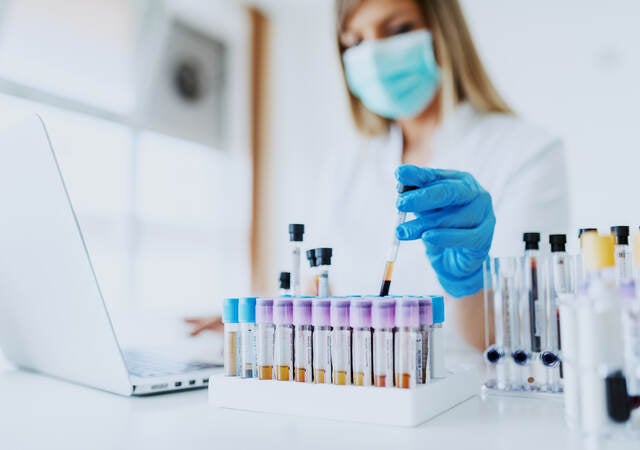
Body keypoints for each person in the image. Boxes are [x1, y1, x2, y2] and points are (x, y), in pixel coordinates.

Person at [188, 0, 569, 351]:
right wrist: (256, 323)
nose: (373, 55)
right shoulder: (346, 164)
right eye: (355, 41)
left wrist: (467, 282)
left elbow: (513, 335)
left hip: (463, 402)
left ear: (444, 32)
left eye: (398, 29)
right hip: (350, 388)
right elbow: (317, 292)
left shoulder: (526, 152)